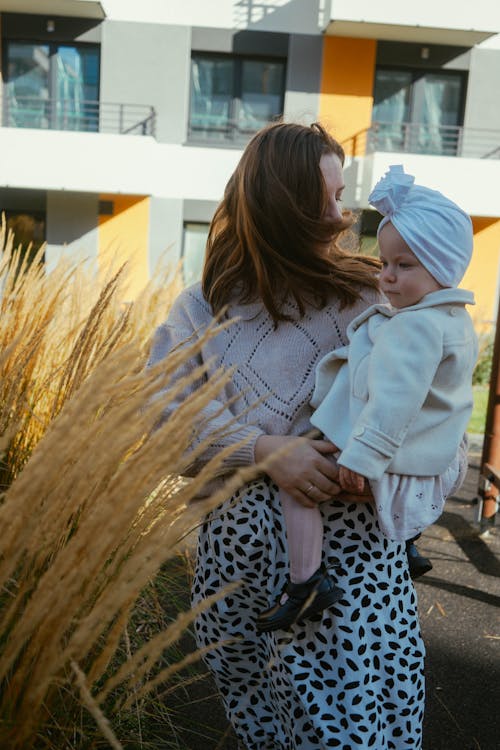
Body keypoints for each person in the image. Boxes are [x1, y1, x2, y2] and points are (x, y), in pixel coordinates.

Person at [148, 124, 468, 750]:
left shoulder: (375, 295)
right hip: (234, 568)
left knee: (349, 729)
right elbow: (162, 420)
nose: (343, 214)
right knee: (260, 723)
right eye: (328, 197)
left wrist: (381, 471)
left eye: (342, 193)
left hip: (348, 572)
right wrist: (266, 451)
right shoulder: (203, 305)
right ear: (285, 205)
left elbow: (441, 423)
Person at [256, 164, 476, 634]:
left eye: (404, 266)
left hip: (384, 448)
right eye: (385, 264)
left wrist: (364, 455)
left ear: (441, 267)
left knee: (298, 484)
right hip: (418, 447)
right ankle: (409, 540)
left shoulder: (415, 326)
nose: (387, 278)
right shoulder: (451, 317)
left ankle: (305, 580)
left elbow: (396, 399)